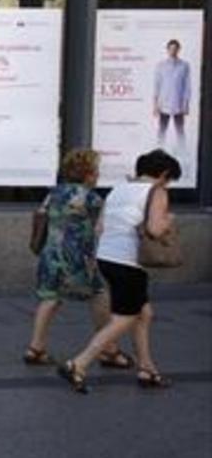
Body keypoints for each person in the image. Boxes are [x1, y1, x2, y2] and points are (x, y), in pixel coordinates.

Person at [57, 150, 181, 394]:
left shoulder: (118, 189)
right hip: (128, 261)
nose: (168, 184)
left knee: (143, 314)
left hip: (107, 256)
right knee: (124, 318)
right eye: (169, 179)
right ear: (164, 174)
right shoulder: (156, 191)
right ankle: (79, 363)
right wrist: (169, 220)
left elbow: (100, 226)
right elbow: (155, 230)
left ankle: (147, 369)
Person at [22, 149, 132, 369]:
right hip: (77, 257)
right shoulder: (91, 198)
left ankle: (35, 348)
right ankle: (109, 350)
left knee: (50, 298)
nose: (98, 175)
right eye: (96, 170)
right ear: (88, 173)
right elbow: (100, 228)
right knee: (100, 295)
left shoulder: (54, 193)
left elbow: (43, 216)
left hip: (50, 255)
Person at [153, 39, 190, 146]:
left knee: (180, 130)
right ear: (167, 50)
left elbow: (187, 86)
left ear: (178, 50)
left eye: (175, 49)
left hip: (178, 103)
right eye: (171, 49)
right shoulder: (161, 66)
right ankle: (160, 149)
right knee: (162, 130)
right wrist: (155, 105)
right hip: (164, 102)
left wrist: (186, 104)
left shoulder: (184, 66)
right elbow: (157, 85)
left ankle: (182, 151)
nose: (173, 51)